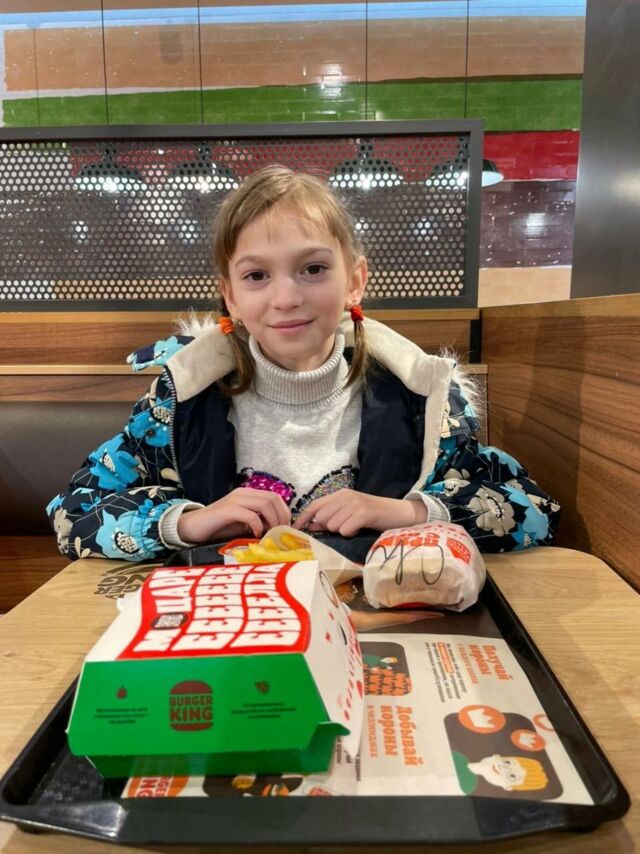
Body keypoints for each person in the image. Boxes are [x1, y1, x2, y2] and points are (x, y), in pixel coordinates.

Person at [46, 165, 560, 562]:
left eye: (313, 268)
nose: (286, 298)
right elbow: (73, 512)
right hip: (232, 633)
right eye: (256, 276)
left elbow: (533, 510)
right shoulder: (180, 401)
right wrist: (189, 522)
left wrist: (406, 512)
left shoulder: (422, 401)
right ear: (230, 296)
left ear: (354, 281)